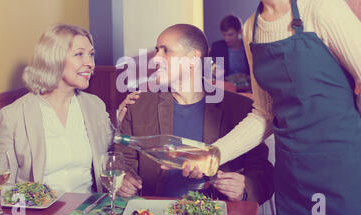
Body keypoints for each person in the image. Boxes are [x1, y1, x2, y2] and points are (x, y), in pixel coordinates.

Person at [182, 0, 361, 215]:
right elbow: (263, 115)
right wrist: (213, 154)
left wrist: (336, 122)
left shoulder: (320, 7)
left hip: (345, 176)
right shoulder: (251, 28)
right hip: (293, 180)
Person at [115, 24, 274, 204]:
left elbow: (262, 171)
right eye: (157, 50)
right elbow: (122, 161)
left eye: (166, 51)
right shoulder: (138, 106)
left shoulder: (241, 109)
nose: (155, 59)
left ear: (193, 59)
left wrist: (244, 189)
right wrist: (123, 180)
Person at [0, 24, 113, 193]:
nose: (90, 63)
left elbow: (115, 157)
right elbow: (2, 181)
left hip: (88, 211)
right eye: (79, 54)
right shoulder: (13, 116)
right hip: (39, 214)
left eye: (91, 54)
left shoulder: (96, 106)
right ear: (54, 58)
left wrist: (125, 120)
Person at [209, 15, 251, 91]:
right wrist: (213, 71)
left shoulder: (249, 47)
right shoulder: (217, 47)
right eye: (224, 35)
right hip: (227, 90)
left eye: (230, 35)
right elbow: (208, 68)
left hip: (248, 89)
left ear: (239, 31)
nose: (226, 39)